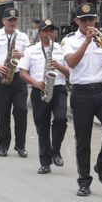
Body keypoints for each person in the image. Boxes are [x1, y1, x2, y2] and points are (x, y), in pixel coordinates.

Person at [61, 3, 102, 196]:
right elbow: (71, 63)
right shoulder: (69, 40)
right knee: (83, 140)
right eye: (84, 20)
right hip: (81, 92)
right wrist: (86, 42)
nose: (88, 23)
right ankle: (84, 181)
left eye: (91, 19)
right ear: (76, 21)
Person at [19, 19, 70, 174]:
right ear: (39, 33)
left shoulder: (62, 49)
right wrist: (35, 82)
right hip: (39, 89)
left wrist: (59, 66)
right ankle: (45, 162)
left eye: (51, 31)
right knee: (42, 127)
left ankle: (56, 150)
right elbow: (22, 73)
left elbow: (70, 73)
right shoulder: (30, 50)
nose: (49, 34)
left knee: (61, 119)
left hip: (58, 87)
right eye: (46, 31)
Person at [0, 7, 31, 157]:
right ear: (4, 21)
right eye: (9, 20)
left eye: (14, 20)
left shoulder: (23, 37)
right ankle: (3, 146)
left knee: (21, 111)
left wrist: (22, 54)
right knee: (2, 113)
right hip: (1, 76)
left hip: (18, 78)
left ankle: (20, 146)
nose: (12, 23)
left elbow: (30, 56)